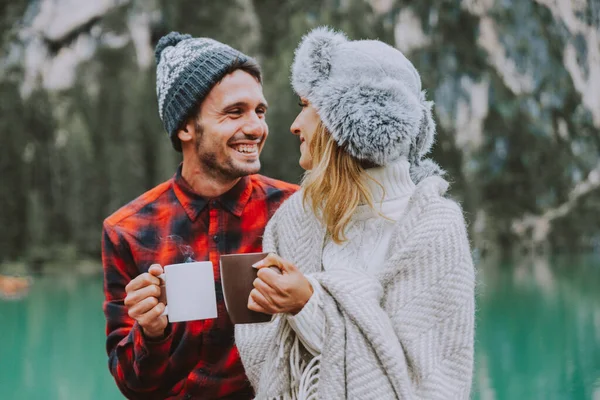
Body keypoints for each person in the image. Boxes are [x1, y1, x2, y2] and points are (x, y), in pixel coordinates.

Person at [235, 27, 475, 399]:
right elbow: (262, 349)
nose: (294, 125)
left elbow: (432, 384)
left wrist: (311, 304)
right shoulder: (295, 218)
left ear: (348, 119)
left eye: (305, 106)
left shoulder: (433, 227)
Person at [101, 32, 298, 399]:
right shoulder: (127, 230)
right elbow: (133, 385)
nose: (256, 127)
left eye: (259, 111)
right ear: (186, 127)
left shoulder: (296, 209)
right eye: (235, 111)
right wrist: (152, 332)